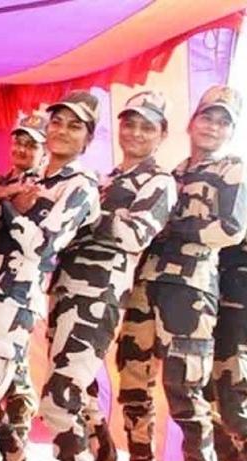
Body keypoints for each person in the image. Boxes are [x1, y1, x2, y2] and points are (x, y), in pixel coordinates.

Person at [0, 92, 101, 461]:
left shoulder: (80, 186)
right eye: (57, 122)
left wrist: (6, 204)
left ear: (88, 138)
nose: (62, 130)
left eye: (74, 126)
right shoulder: (30, 178)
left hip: (11, 305)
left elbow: (41, 245)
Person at [42, 91, 177, 461]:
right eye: (129, 124)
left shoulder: (158, 181)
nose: (135, 133)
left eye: (147, 127)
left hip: (97, 297)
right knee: (82, 400)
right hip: (64, 291)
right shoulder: (102, 179)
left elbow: (135, 234)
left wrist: (84, 213)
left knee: (61, 398)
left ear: (162, 134)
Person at [117, 85, 247, 461]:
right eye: (207, 117)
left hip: (190, 291)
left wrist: (171, 228)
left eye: (223, 122)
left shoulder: (232, 169)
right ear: (191, 123)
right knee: (133, 386)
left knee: (185, 392)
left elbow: (231, 228)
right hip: (145, 286)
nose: (213, 127)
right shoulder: (171, 173)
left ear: (231, 132)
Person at [0, 112, 48, 461]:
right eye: (19, 141)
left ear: (44, 151)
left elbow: (33, 242)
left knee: (16, 379)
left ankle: (17, 450)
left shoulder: (43, 187)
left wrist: (5, 201)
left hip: (19, 295)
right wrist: (2, 195)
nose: (22, 149)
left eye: (32, 145)